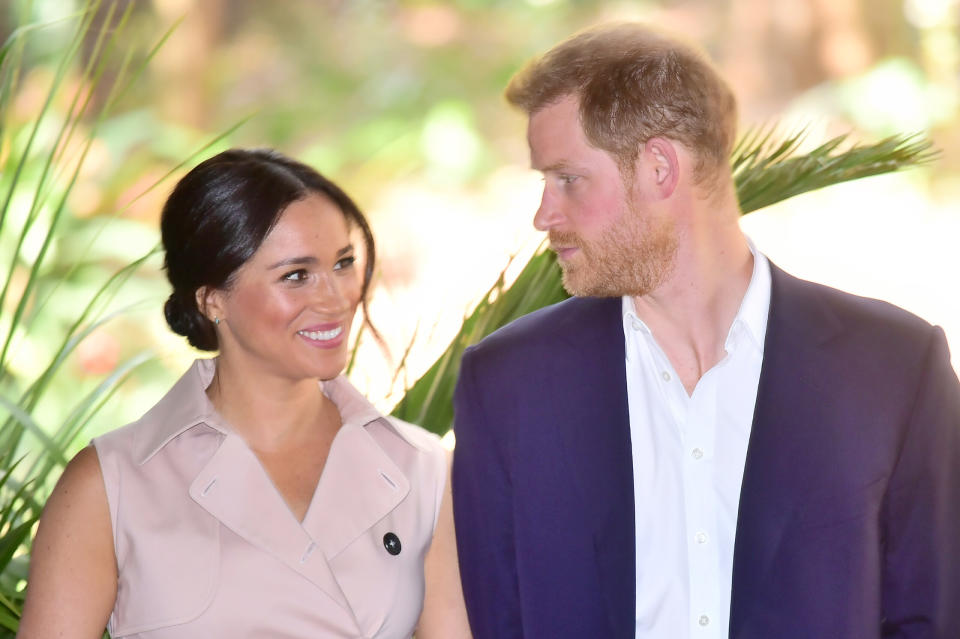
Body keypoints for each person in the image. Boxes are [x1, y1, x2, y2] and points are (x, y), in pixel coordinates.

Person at [451, 22, 960, 639]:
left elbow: (932, 618)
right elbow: (499, 620)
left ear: (660, 168)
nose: (543, 215)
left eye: (567, 179)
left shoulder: (894, 366)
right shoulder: (507, 385)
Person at [18, 149, 472, 639]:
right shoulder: (110, 484)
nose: (336, 298)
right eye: (296, 275)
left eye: (343, 263)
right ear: (213, 299)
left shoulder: (422, 469)